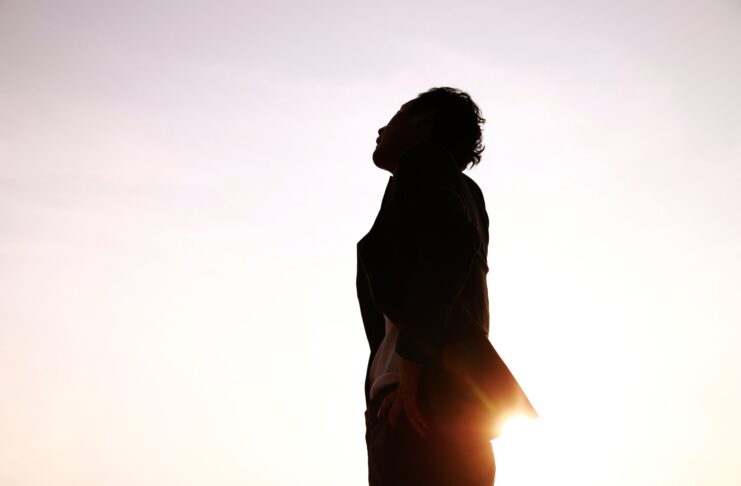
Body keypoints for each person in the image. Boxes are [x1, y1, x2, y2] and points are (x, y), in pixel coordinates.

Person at [356, 87, 496, 485]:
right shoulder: (465, 192)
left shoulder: (423, 164)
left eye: (396, 114)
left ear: (423, 121)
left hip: (418, 407)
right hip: (452, 407)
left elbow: (449, 249)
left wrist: (411, 372)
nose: (381, 129)